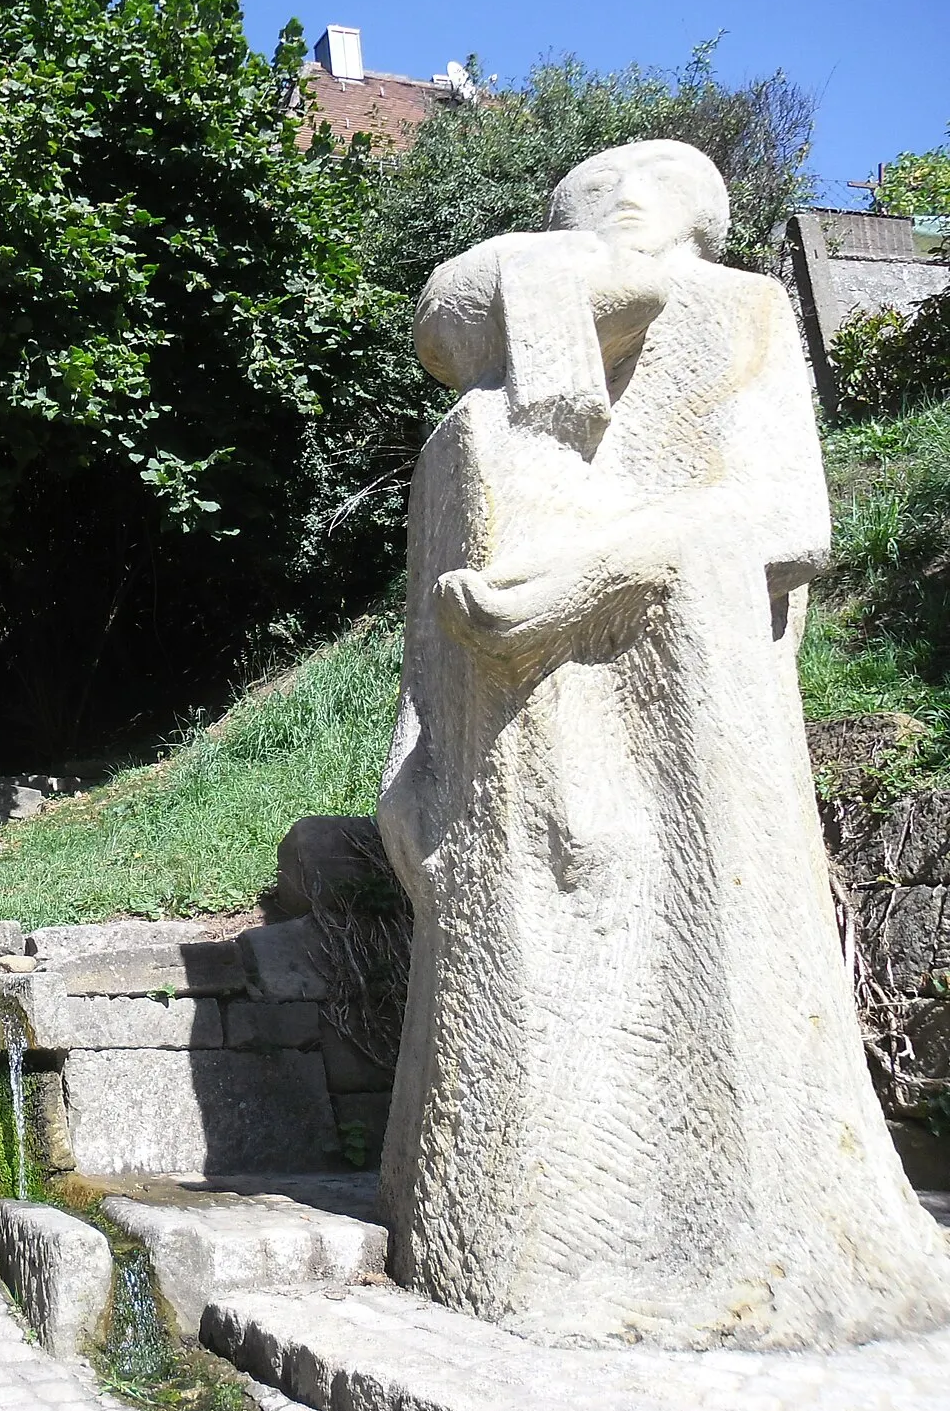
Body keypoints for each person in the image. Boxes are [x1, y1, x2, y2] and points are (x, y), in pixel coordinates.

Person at [376, 140, 950, 1349]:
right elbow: (433, 611)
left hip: (690, 723)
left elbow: (786, 521)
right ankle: (523, 1240)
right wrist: (410, 759)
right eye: (574, 210)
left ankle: (714, 1253)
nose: (612, 202)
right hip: (514, 751)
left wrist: (596, 567)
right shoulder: (476, 427)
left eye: (631, 190)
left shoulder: (737, 311)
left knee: (694, 984)